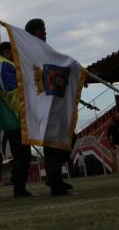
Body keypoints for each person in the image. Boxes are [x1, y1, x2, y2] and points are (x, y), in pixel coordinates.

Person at [25, 19, 74, 196]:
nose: (45, 33)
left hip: (54, 101)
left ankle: (56, 178)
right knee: (52, 143)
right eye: (43, 29)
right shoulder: (30, 49)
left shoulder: (43, 48)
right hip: (43, 102)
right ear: (35, 31)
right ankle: (55, 182)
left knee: (65, 138)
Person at [0, 42, 32, 197]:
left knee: (21, 153)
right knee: (22, 154)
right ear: (6, 52)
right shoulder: (6, 66)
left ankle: (20, 186)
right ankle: (19, 188)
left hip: (12, 118)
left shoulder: (0, 66)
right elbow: (13, 91)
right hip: (16, 117)